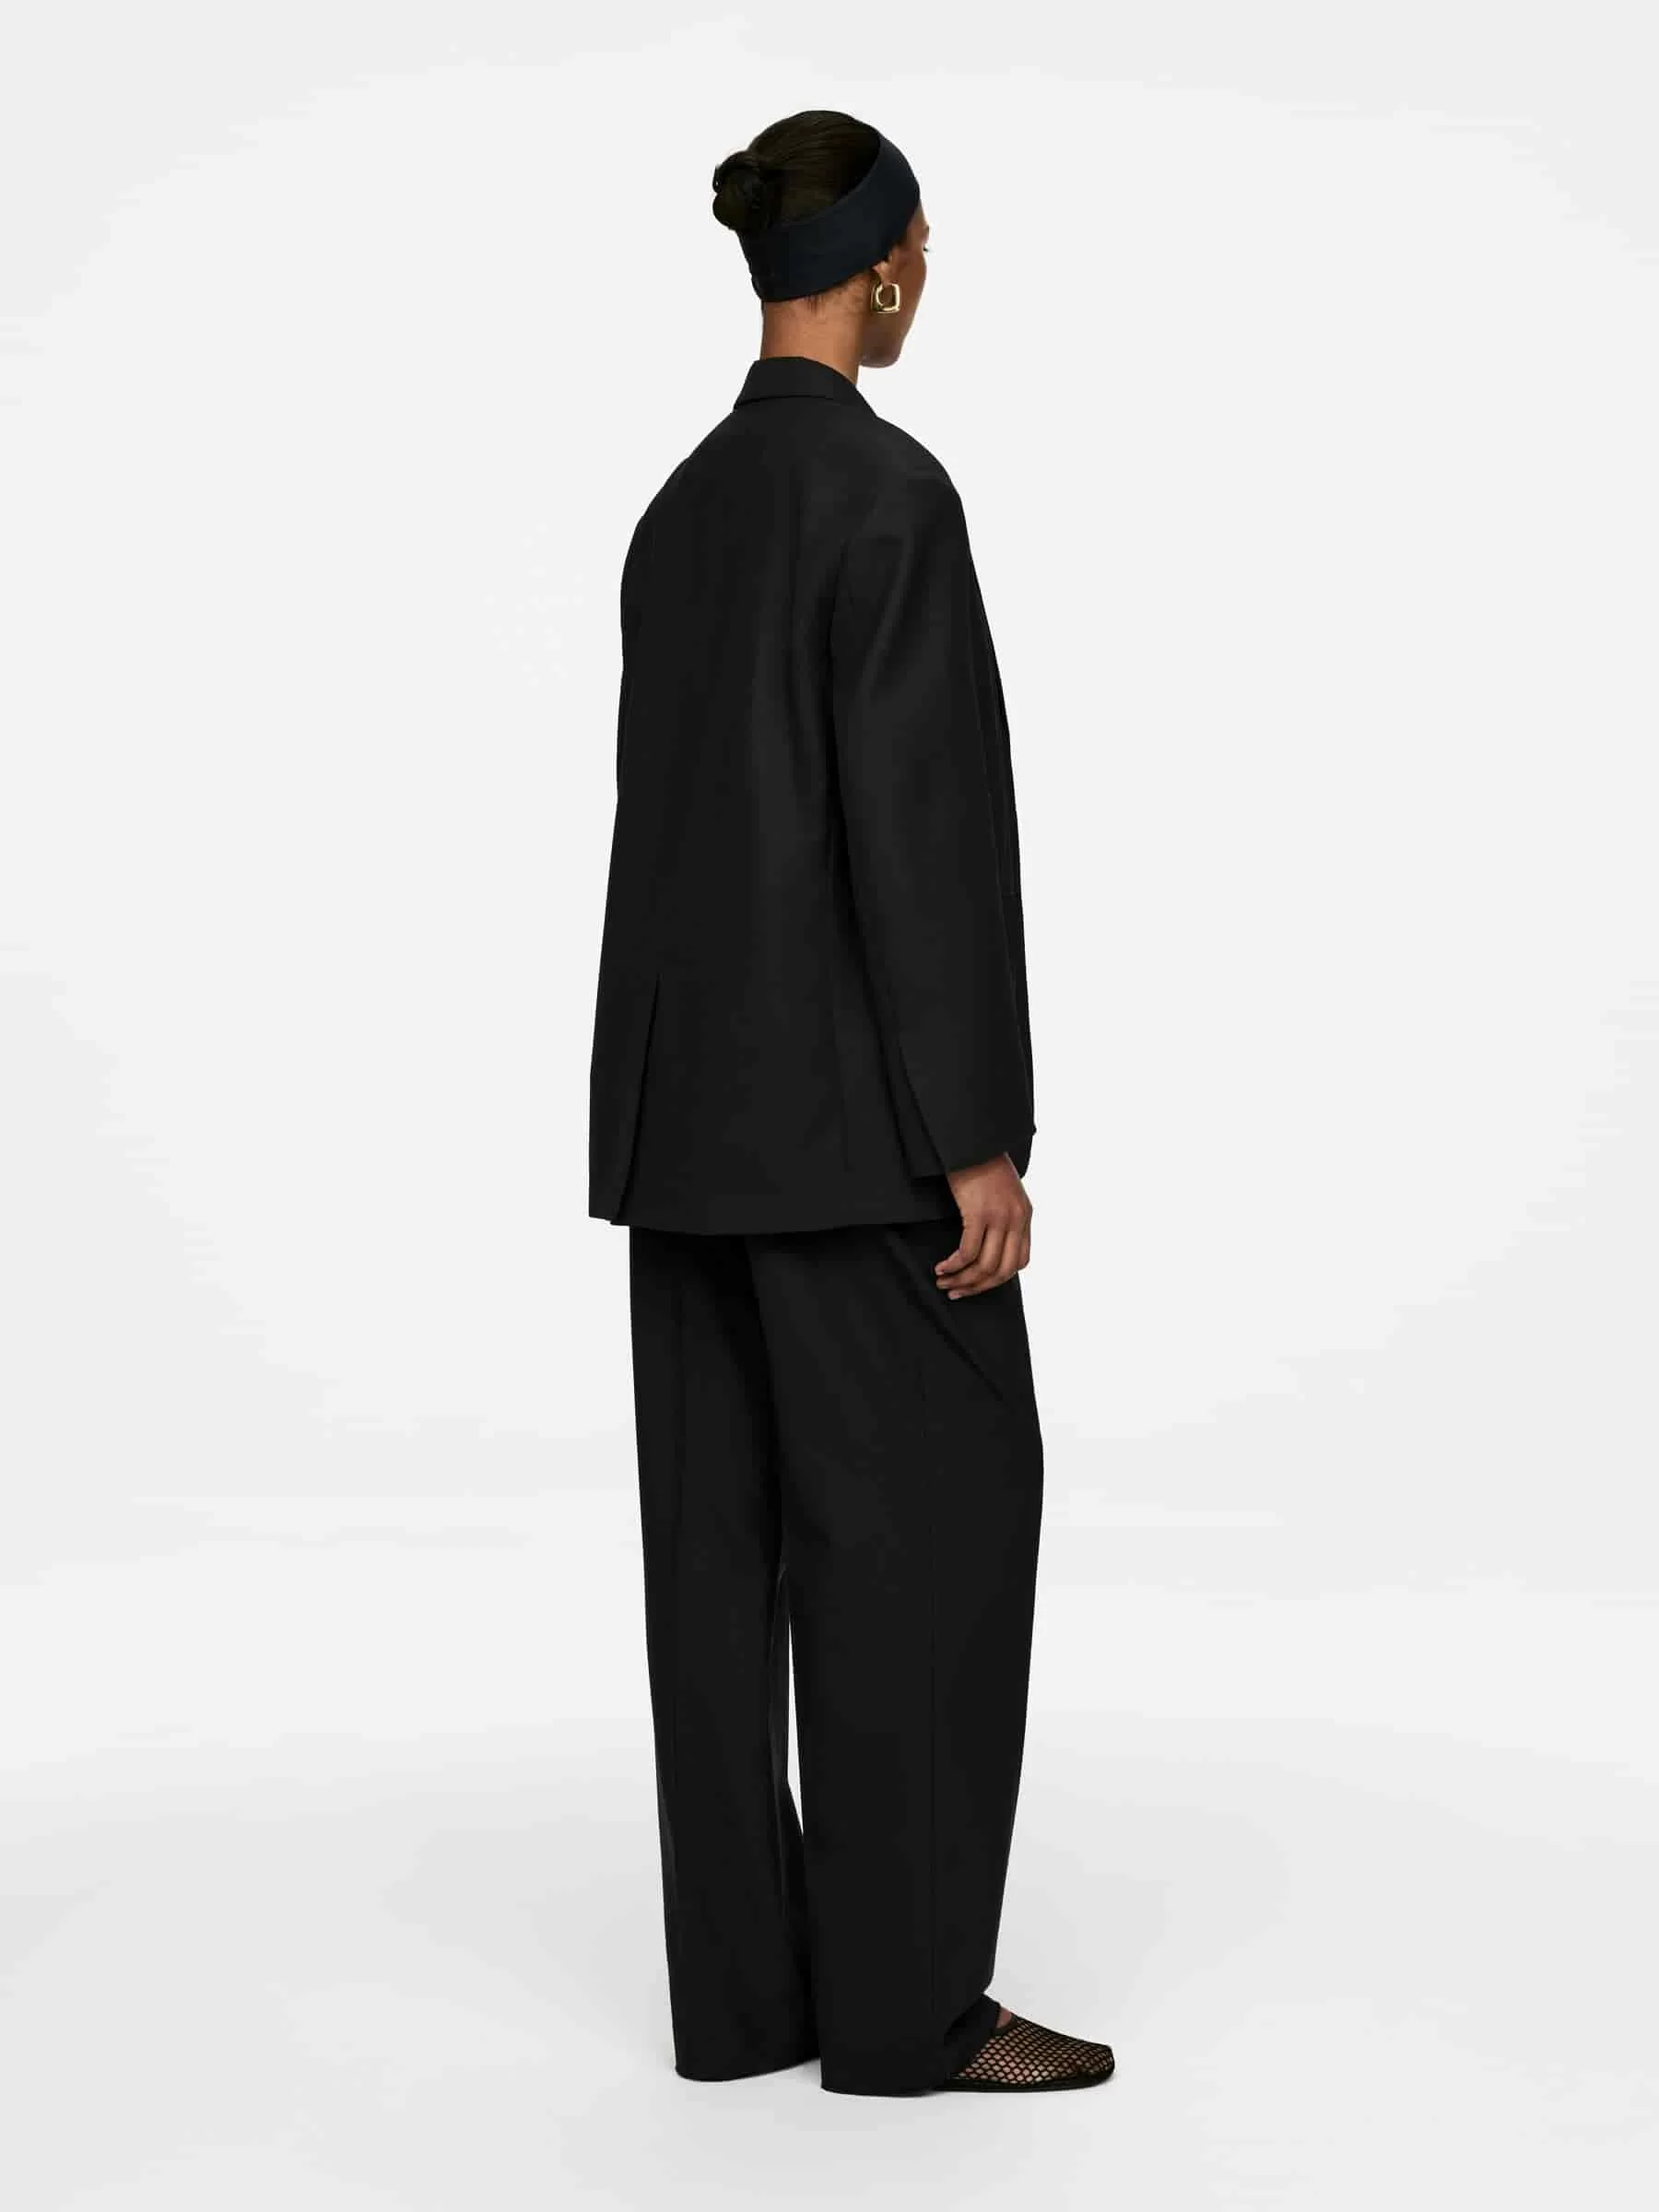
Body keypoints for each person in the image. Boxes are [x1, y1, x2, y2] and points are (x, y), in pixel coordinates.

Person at [586, 108, 1113, 2099]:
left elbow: (676, 837)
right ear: (887, 268)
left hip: (681, 1145)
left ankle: (747, 2009)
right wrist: (976, 1134)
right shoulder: (886, 497)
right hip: (854, 1142)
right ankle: (905, 2015)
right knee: (938, 1543)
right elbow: (920, 832)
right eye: (923, 258)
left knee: (718, 1579)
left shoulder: (682, 508)